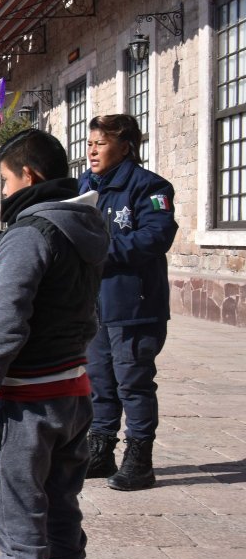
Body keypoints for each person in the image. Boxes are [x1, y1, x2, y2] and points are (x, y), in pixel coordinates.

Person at [0, 128, 107, 559]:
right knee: (61, 499)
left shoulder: (28, 233)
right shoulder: (88, 227)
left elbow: (5, 322)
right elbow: (91, 313)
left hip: (32, 400)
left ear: (29, 175)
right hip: (75, 392)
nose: (1, 191)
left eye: (3, 180)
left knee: (16, 508)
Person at [80, 114, 178, 492]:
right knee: (99, 381)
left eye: (100, 143)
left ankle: (140, 460)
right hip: (95, 304)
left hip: (134, 306)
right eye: (89, 143)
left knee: (133, 383)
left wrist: (99, 249)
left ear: (125, 146)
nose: (91, 150)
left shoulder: (149, 187)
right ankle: (101, 450)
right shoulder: (86, 185)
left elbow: (156, 236)